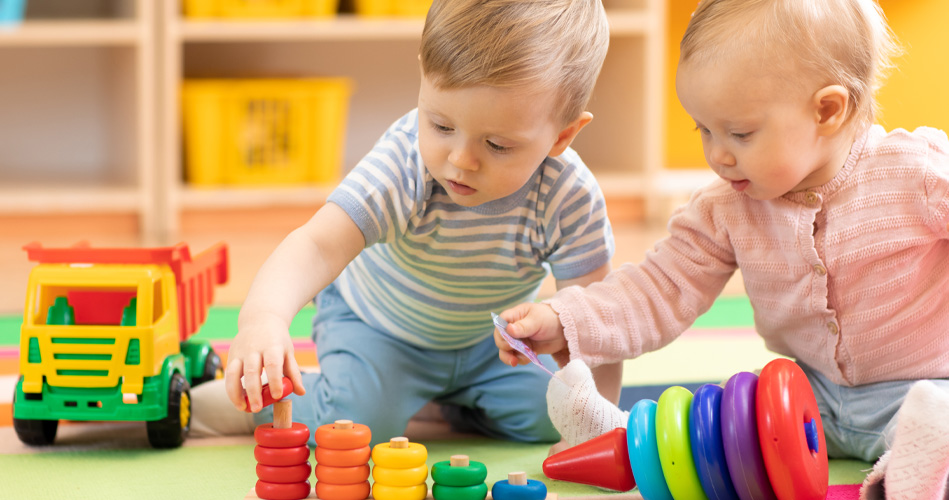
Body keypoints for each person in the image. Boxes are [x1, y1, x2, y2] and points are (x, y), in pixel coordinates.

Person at [496, 0, 949, 497]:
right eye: (704, 130)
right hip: (803, 396)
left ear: (827, 110)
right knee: (712, 432)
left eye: (740, 133)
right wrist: (565, 320)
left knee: (939, 429)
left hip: (926, 391)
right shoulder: (726, 208)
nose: (717, 155)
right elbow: (658, 289)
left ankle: (908, 475)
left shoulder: (916, 174)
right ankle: (619, 441)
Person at [191, 0, 624, 448]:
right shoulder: (403, 165)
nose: (460, 160)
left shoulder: (568, 196)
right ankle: (250, 400)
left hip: (489, 346)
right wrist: (263, 318)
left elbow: (592, 321)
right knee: (359, 425)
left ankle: (443, 400)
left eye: (496, 144)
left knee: (557, 414)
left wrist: (596, 422)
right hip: (377, 326)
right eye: (440, 125)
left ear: (562, 136)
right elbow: (317, 247)